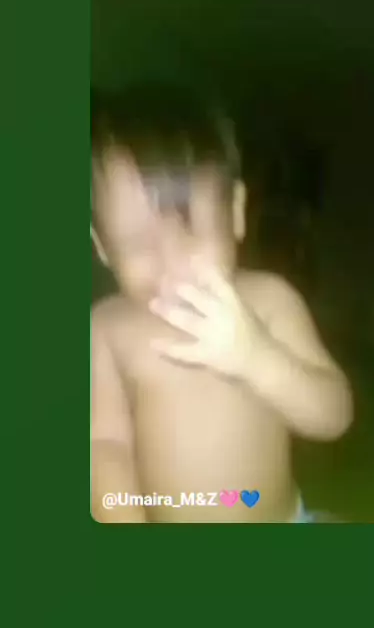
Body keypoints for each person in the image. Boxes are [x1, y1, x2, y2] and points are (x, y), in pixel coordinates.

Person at [90, 82, 353, 523]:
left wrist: (256, 358)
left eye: (192, 228)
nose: (170, 262)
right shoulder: (105, 326)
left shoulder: (269, 302)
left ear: (235, 212)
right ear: (102, 246)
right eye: (137, 242)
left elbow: (334, 415)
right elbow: (105, 444)